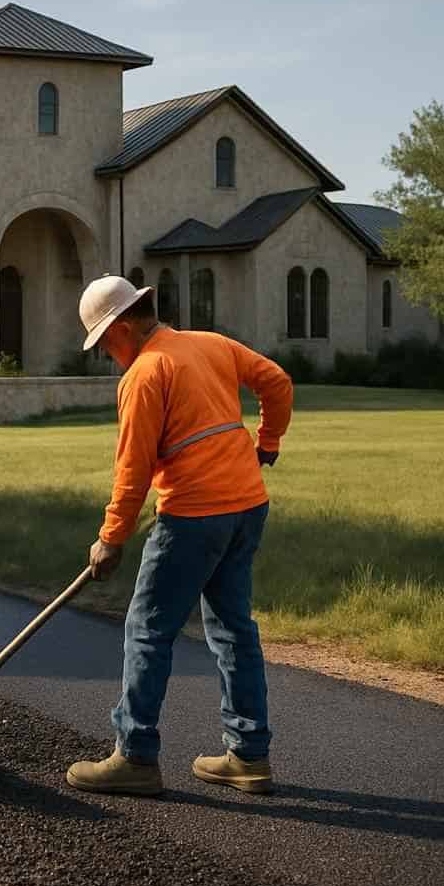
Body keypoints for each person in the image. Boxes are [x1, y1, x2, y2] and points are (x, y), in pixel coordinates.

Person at [64, 275, 292, 797]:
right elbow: (276, 381)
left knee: (147, 630)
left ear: (121, 327)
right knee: (234, 629)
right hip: (247, 506)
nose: (104, 354)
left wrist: (111, 538)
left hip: (194, 515)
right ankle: (249, 756)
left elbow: (133, 468)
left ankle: (135, 756)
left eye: (103, 342)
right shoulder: (209, 343)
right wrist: (268, 443)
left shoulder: (145, 373)